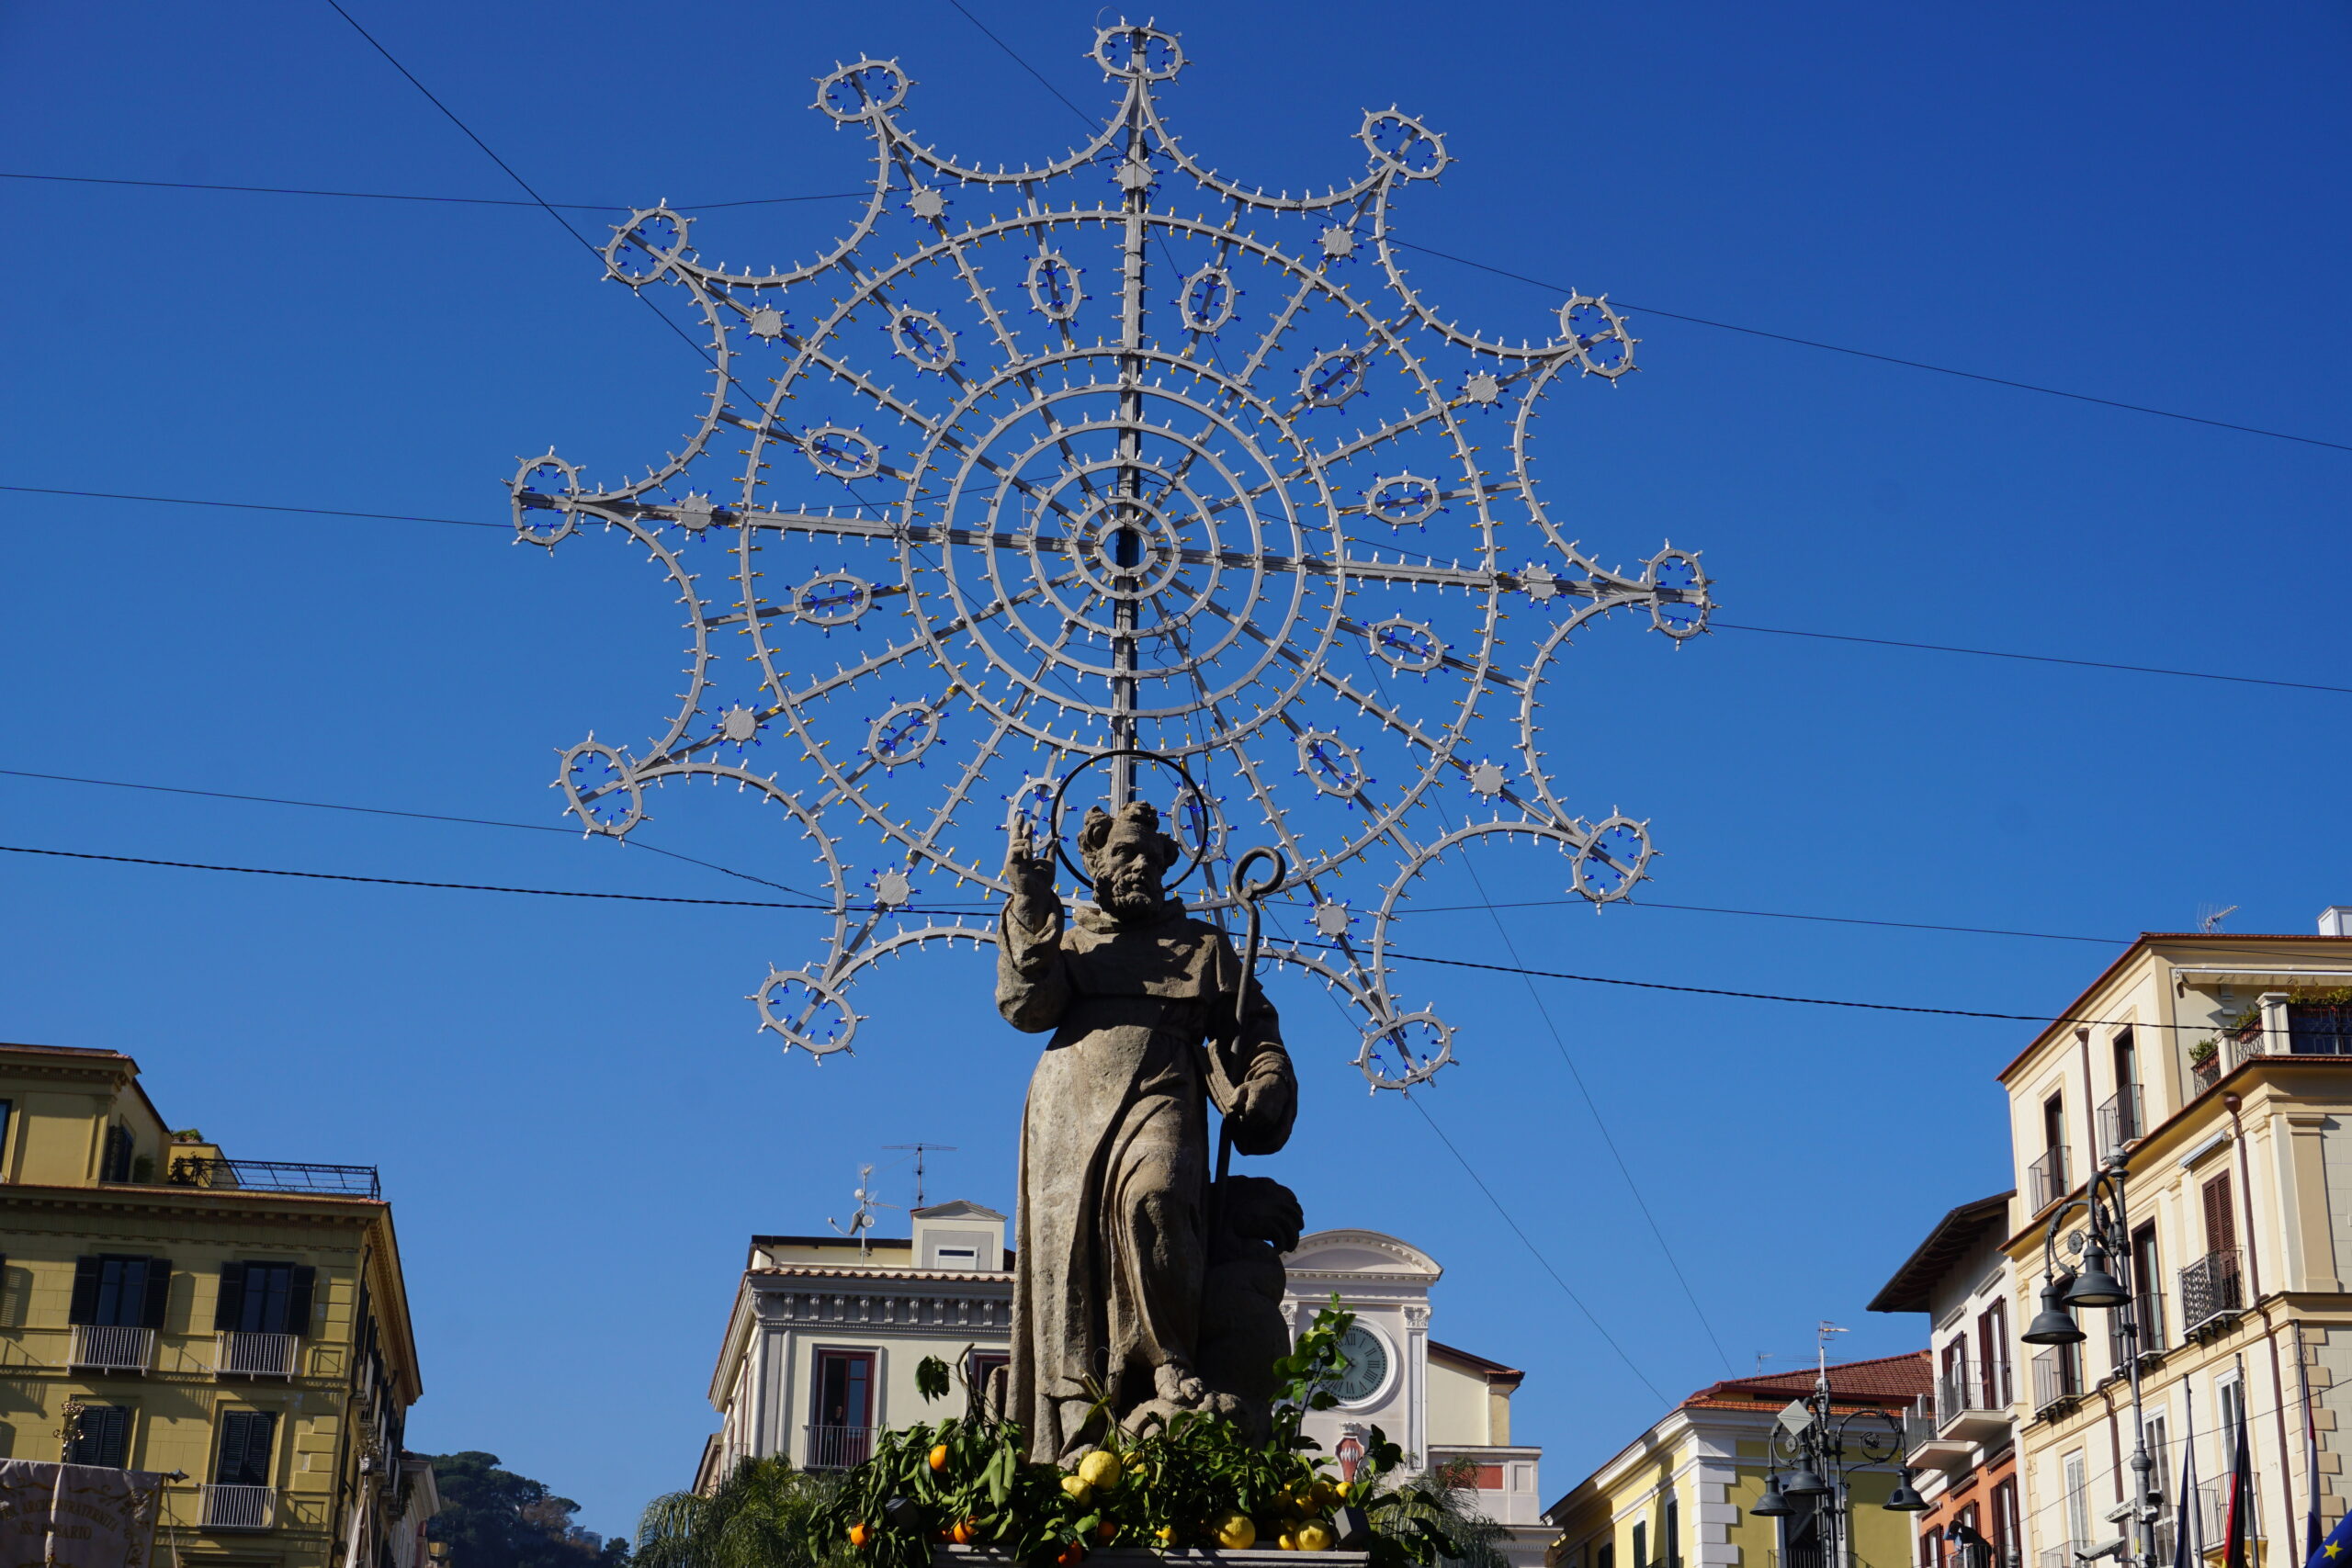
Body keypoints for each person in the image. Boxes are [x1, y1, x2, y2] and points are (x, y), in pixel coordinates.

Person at [998, 800, 1297, 1460]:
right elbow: (1026, 1007)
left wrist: (1266, 1082)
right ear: (1096, 866)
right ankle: (1085, 1410)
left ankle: (1169, 1360)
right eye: (1120, 854)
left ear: (1166, 864)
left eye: (1146, 854)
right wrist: (1028, 900)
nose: (1134, 865)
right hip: (1068, 1114)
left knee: (1153, 1196)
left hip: (1163, 1090)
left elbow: (1254, 1037)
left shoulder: (1204, 946)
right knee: (1073, 1260)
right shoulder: (1071, 939)